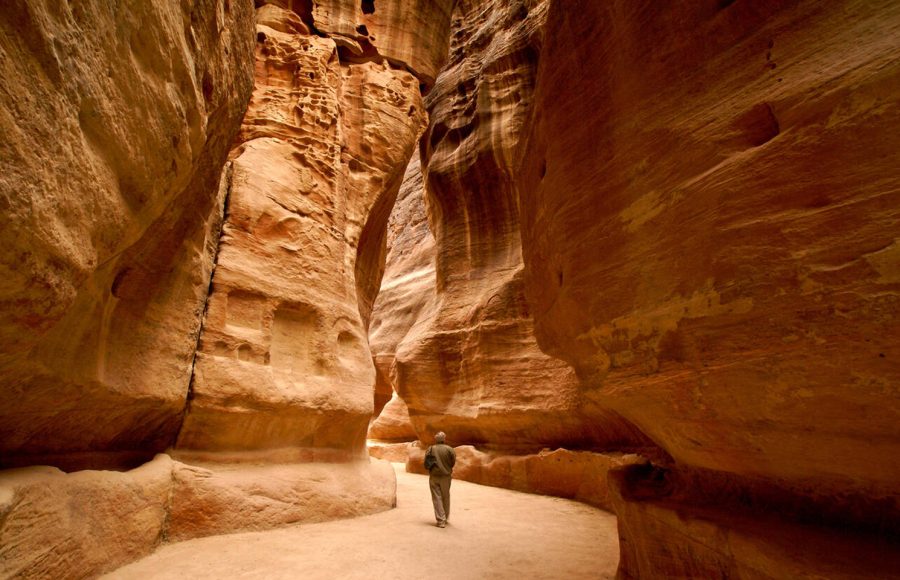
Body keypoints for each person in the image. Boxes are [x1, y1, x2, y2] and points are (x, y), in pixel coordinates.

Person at [425, 431, 456, 528]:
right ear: (444, 439)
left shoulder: (430, 449)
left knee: (437, 497)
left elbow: (426, 461)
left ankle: (440, 520)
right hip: (446, 476)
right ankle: (445, 518)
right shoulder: (450, 449)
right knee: (445, 496)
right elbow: (452, 462)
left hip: (434, 476)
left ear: (436, 439)